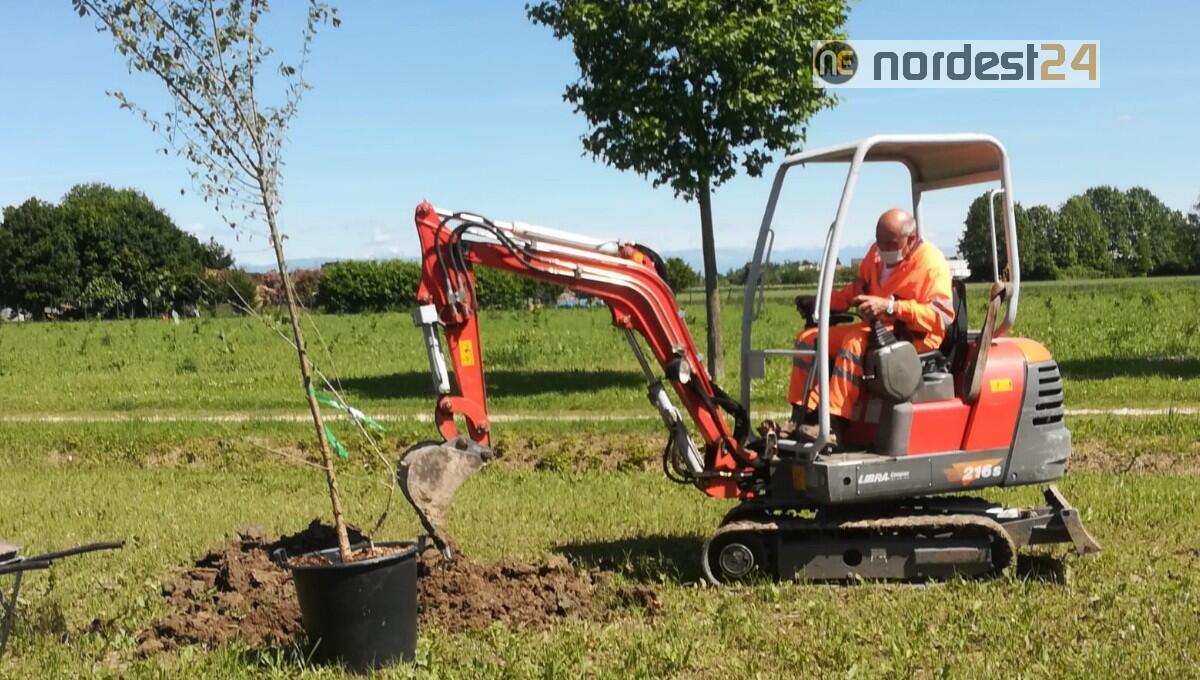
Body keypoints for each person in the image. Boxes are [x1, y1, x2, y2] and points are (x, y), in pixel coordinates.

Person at [789, 208, 954, 444]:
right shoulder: (875, 256)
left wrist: (891, 307)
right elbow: (855, 292)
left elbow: (941, 317)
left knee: (854, 342)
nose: (883, 249)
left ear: (911, 238)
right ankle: (803, 416)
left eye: (890, 244)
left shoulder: (931, 264)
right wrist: (823, 301)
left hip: (912, 337)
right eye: (879, 242)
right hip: (877, 329)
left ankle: (834, 424)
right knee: (809, 339)